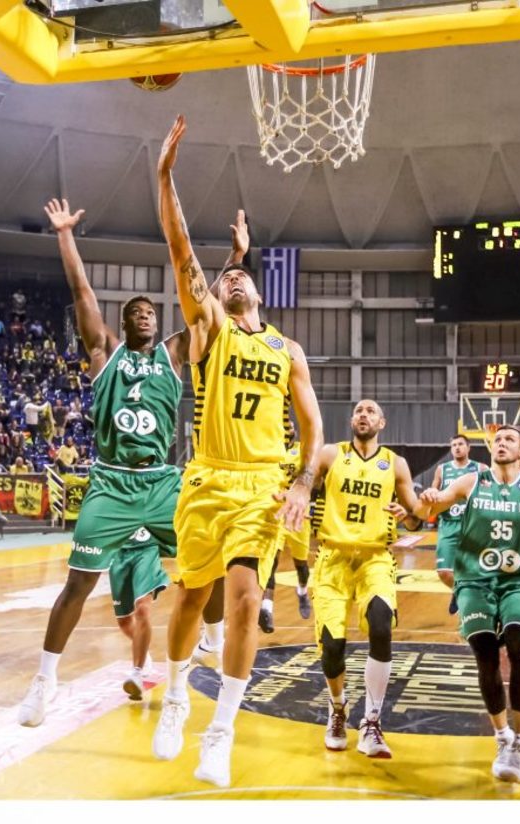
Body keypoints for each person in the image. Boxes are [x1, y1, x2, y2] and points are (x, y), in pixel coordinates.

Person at [152, 115, 323, 789]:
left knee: (247, 598)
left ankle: (220, 730)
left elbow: (313, 428)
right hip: (206, 481)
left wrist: (304, 481)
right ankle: (173, 694)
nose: (227, 282)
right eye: (221, 280)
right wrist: (165, 178)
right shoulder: (210, 331)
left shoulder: (288, 351)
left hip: (262, 484)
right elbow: (181, 249)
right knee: (192, 601)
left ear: (257, 289)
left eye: (237, 277)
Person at [16, 197, 191, 727]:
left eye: (152, 312)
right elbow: (81, 291)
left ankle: (198, 656)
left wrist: (234, 256)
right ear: (121, 324)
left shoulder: (173, 357)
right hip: (112, 484)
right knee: (77, 583)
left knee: (212, 563)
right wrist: (65, 234)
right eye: (137, 312)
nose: (146, 315)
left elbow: (203, 306)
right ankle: (43, 682)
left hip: (161, 481)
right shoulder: (103, 355)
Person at [415, 425, 520, 784]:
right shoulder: (472, 481)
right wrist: (429, 498)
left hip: (517, 581)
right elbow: (430, 508)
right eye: (497, 440)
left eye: (510, 440)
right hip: (474, 579)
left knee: (519, 645)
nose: (502, 443)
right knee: (485, 653)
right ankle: (501, 735)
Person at [307, 399, 423, 758]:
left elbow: (416, 517)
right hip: (332, 558)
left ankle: (372, 721)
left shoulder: (396, 464)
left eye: (371, 411)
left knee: (380, 624)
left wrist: (408, 515)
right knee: (332, 647)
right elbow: (304, 485)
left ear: (382, 423)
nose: (364, 414)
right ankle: (338, 709)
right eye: (359, 410)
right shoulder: (330, 455)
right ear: (351, 420)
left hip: (375, 557)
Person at [258, 430, 314, 633]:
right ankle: (266, 609)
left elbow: (313, 475)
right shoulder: (268, 451)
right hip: (276, 510)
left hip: (299, 510)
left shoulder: (302, 450)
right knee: (271, 561)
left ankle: (302, 591)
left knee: (302, 566)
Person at [430, 434, 488, 614]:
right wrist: (430, 495)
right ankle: (458, 591)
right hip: (448, 524)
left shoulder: (480, 468)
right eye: (453, 445)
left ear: (468, 447)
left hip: (473, 526)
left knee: (477, 572)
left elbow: (491, 492)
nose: (456, 447)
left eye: (460, 444)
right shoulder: (442, 469)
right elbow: (434, 490)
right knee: (444, 572)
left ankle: (477, 605)